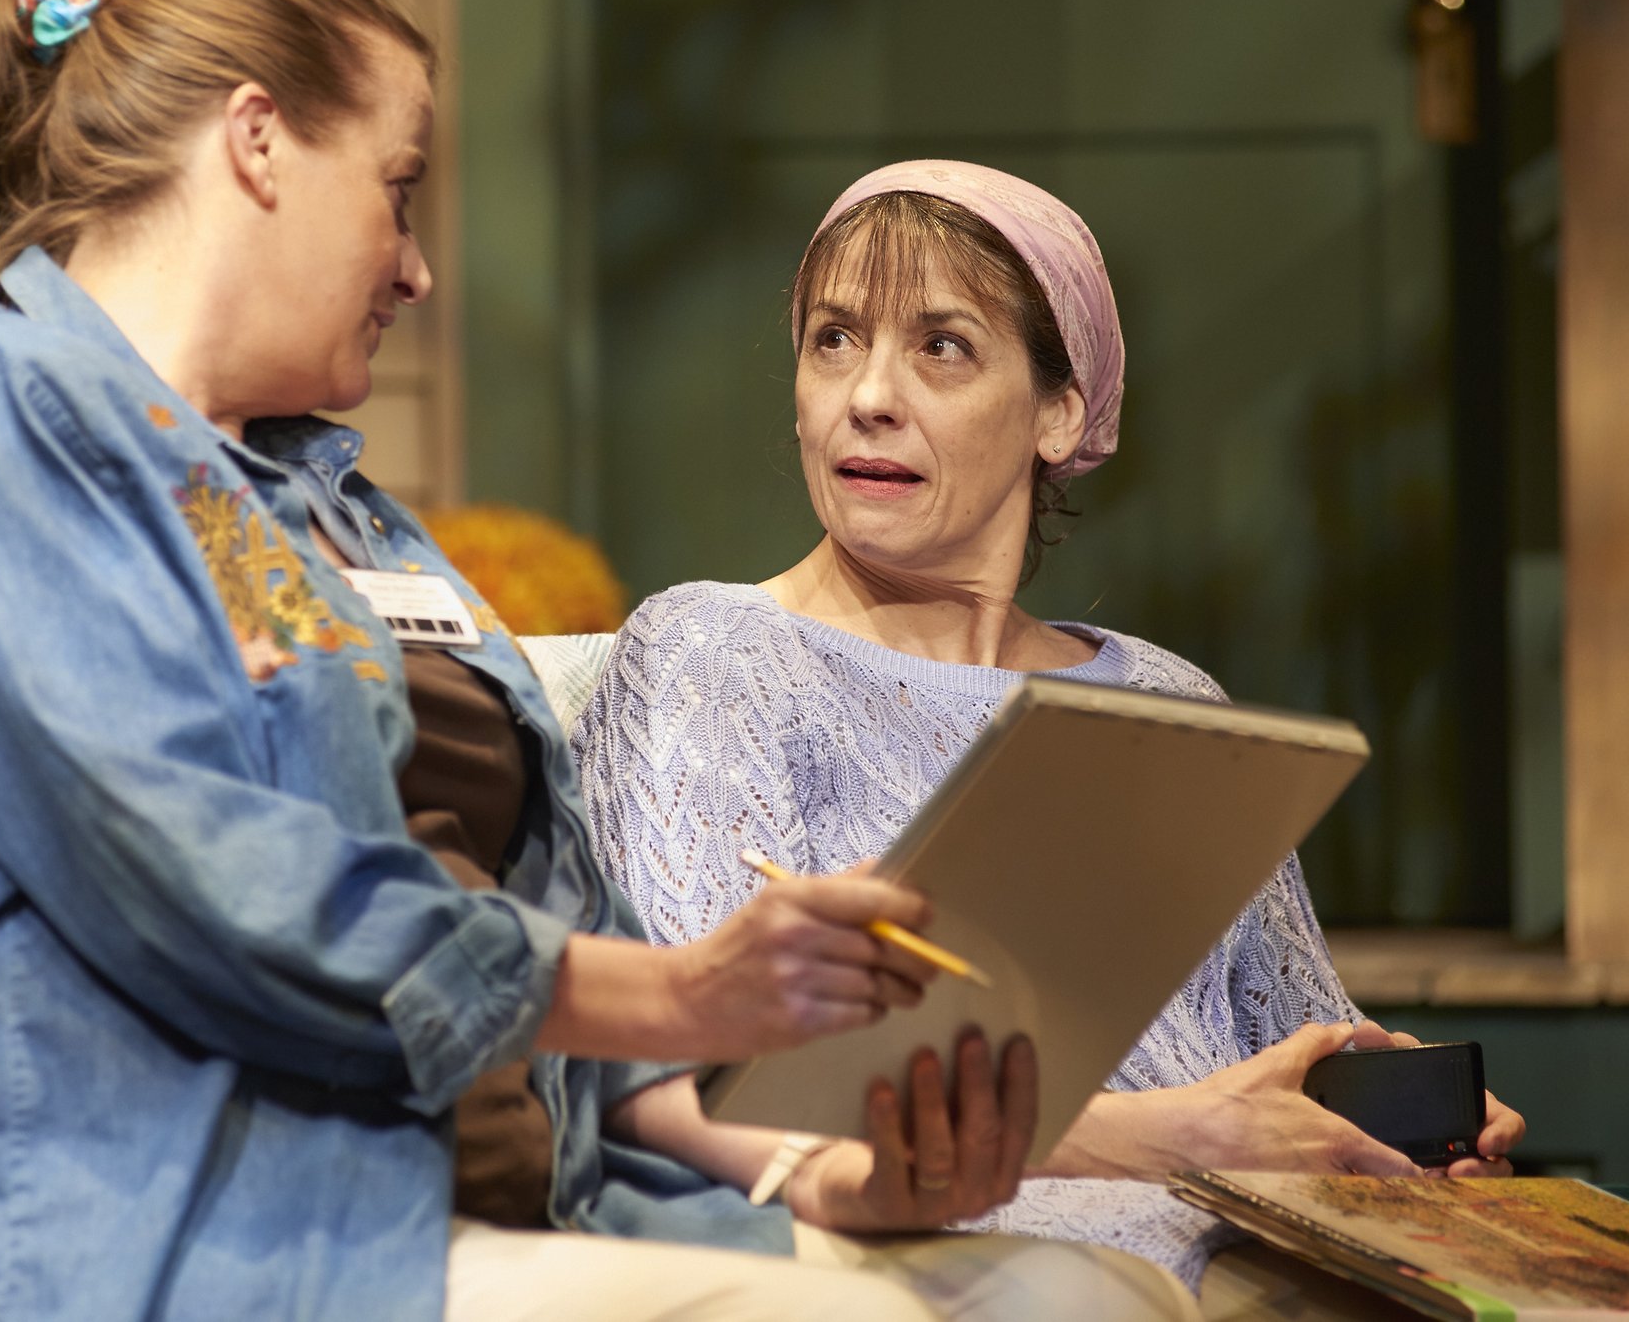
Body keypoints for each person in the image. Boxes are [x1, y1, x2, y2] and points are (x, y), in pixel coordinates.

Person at [0, 0, 1204, 1322]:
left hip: (525, 1212)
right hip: (194, 1245)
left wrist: (836, 1170)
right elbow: (247, 903)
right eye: (399, 185)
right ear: (257, 146)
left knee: (1091, 1295)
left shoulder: (303, 502)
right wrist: (686, 989)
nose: (418, 264)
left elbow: (579, 983)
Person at [574, 160, 1527, 1305]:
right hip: (941, 1243)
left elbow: (1294, 1031)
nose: (866, 395)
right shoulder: (711, 650)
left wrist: (1395, 1102)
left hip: (1249, 1226)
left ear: (1059, 410)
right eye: (832, 339)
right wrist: (1180, 1133)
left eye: (941, 347)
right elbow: (718, 1079)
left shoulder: (1167, 699)